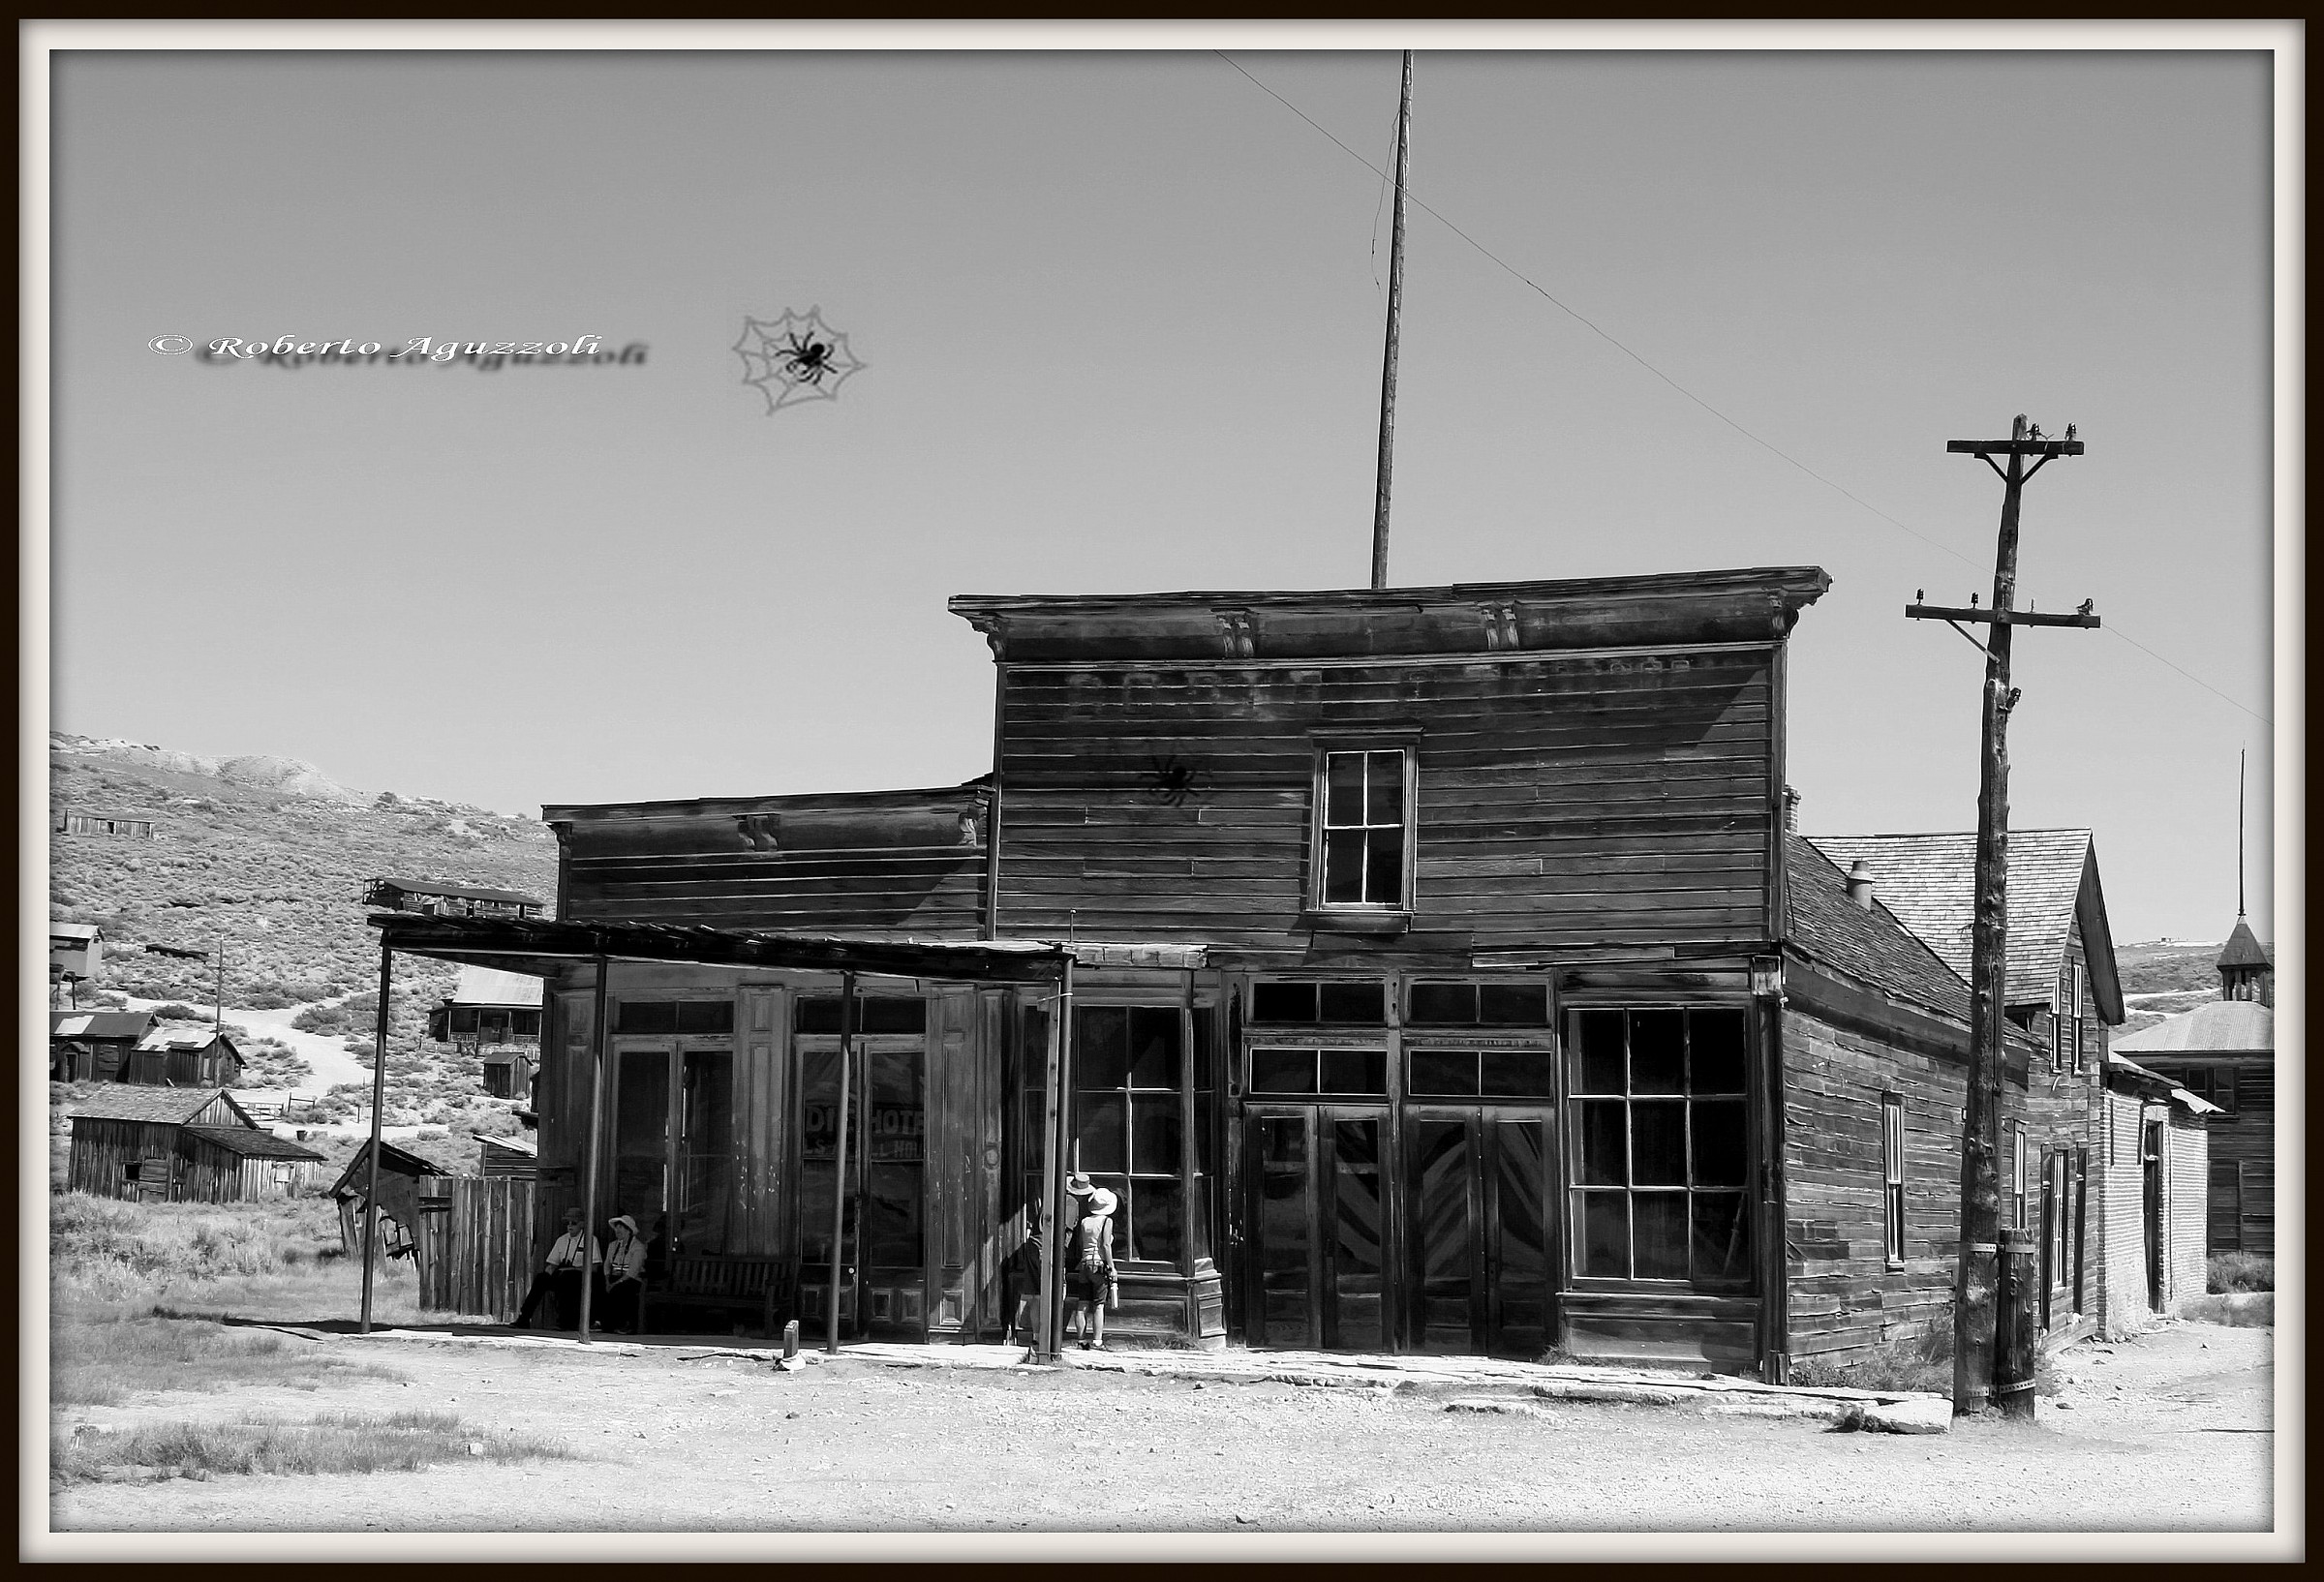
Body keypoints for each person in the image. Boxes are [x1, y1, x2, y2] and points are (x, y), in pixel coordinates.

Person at [513, 1207, 599, 1330]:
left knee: (568, 1279)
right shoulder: (562, 1240)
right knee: (541, 1279)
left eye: (574, 1223)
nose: (570, 1226)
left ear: (582, 1224)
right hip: (562, 1275)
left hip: (579, 1278)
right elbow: (552, 1263)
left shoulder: (590, 1240)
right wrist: (548, 1274)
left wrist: (574, 1269)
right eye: (568, 1223)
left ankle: (565, 1322)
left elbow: (595, 1267)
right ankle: (524, 1317)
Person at [1065, 1181, 1118, 1351]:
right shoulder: (1106, 1221)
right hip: (1099, 1265)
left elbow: (1081, 1244)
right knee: (1099, 1305)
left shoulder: (1084, 1222)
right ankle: (1097, 1341)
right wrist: (1112, 1266)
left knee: (1082, 1303)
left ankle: (1081, 1340)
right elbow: (1105, 1245)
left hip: (1085, 1264)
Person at [597, 1214, 649, 1334]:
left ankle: (626, 1325)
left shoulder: (638, 1247)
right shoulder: (612, 1245)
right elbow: (607, 1264)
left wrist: (614, 1284)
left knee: (621, 1290)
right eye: (616, 1227)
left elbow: (633, 1272)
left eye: (621, 1227)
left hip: (631, 1279)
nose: (617, 1230)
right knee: (597, 1286)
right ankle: (603, 1323)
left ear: (629, 1230)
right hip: (614, 1277)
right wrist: (607, 1281)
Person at [1007, 1198, 1045, 1346]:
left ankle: (1036, 1335)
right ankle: (1048, 1336)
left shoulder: (1045, 1204)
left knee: (1036, 1296)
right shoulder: (1067, 1202)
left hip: (1033, 1245)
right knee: (1049, 1294)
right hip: (1044, 1247)